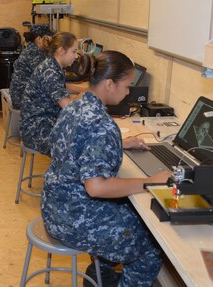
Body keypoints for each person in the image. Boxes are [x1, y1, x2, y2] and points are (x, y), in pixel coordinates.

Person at [41, 50, 171, 286]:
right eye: (127, 85)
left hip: (54, 207)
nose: (128, 92)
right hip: (74, 219)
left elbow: (76, 148)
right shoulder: (101, 124)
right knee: (151, 246)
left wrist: (119, 143)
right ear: (110, 84)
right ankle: (110, 272)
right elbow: (96, 188)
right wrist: (151, 182)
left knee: (128, 214)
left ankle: (102, 272)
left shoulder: (74, 107)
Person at [20, 31, 80, 156]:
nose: (76, 56)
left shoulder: (52, 65)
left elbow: (60, 87)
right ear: (61, 51)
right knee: (81, 144)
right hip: (36, 131)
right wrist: (90, 99)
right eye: (73, 52)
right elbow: (69, 108)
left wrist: (83, 91)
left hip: (42, 123)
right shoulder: (50, 71)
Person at [9, 24, 53, 110]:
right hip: (23, 98)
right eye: (47, 38)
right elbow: (47, 77)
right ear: (39, 39)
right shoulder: (34, 53)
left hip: (23, 94)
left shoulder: (34, 49)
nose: (50, 41)